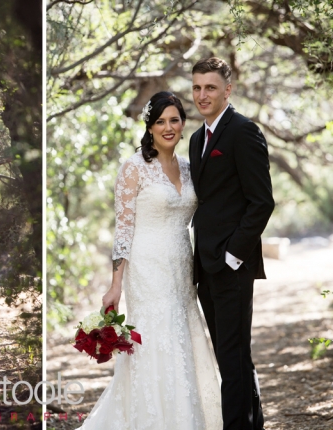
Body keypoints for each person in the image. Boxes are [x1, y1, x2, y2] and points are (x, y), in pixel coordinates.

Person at [80, 92, 222, 429]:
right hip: (146, 267)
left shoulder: (189, 167)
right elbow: (123, 229)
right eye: (160, 121)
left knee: (182, 336)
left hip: (182, 268)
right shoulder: (134, 168)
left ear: (183, 124)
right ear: (150, 127)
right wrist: (115, 285)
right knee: (157, 338)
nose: (168, 127)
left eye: (174, 120)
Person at [189, 57, 273, 430]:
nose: (202, 95)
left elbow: (262, 202)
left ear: (228, 90)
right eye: (197, 87)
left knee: (233, 356)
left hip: (232, 266)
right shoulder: (196, 139)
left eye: (210, 87)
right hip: (206, 267)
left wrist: (233, 255)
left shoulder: (243, 131)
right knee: (233, 359)